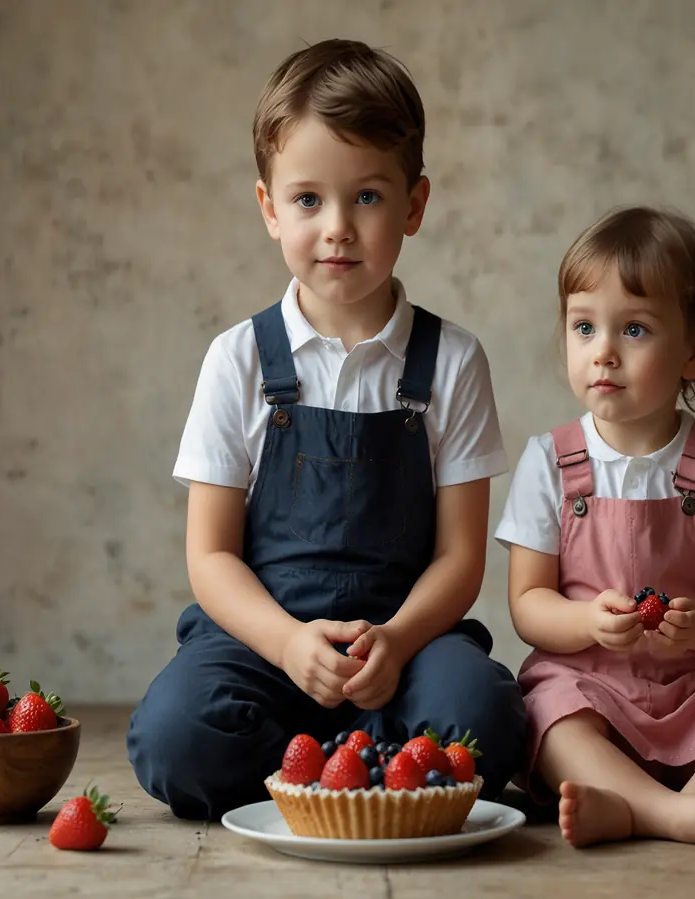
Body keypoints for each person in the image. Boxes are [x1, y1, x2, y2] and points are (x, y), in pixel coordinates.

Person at [127, 38, 527, 821]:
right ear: (269, 207)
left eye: (368, 197)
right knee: (175, 740)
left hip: (404, 641)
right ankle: (360, 771)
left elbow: (461, 557)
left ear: (414, 204)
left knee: (487, 721)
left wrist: (402, 641)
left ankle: (340, 763)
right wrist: (284, 645)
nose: (337, 227)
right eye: (308, 199)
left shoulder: (452, 361)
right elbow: (209, 555)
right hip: (264, 642)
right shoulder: (237, 359)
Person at [494, 206, 695, 851]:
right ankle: (681, 816)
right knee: (546, 721)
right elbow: (527, 605)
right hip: (590, 686)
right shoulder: (549, 461)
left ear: (693, 350)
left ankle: (642, 809)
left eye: (634, 329)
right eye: (584, 327)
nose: (603, 352)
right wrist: (586, 624)